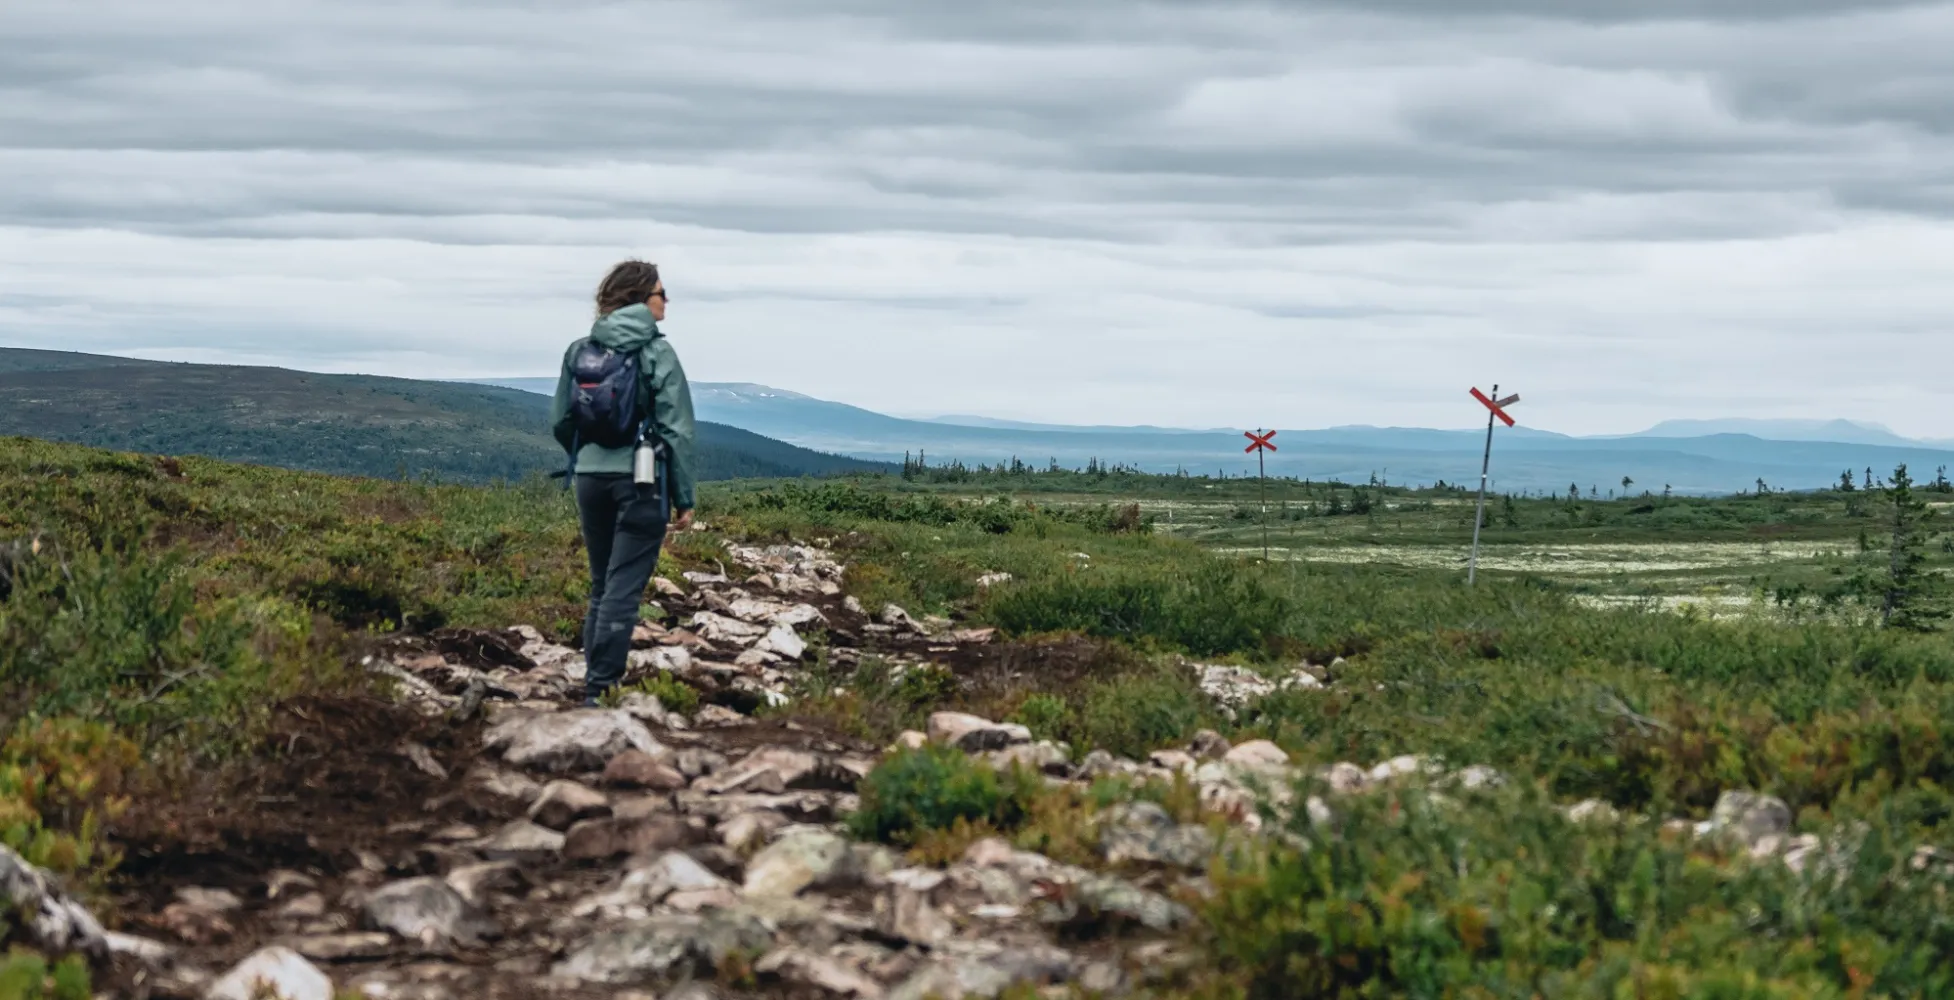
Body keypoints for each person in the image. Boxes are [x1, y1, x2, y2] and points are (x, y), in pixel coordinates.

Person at [550, 260, 696, 706]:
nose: (666, 300)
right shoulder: (656, 352)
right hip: (641, 480)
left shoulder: (580, 349)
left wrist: (592, 455)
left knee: (601, 584)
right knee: (623, 587)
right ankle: (599, 691)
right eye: (661, 291)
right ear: (640, 298)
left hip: (590, 477)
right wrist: (684, 497)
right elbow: (677, 430)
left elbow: (561, 421)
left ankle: (594, 681)